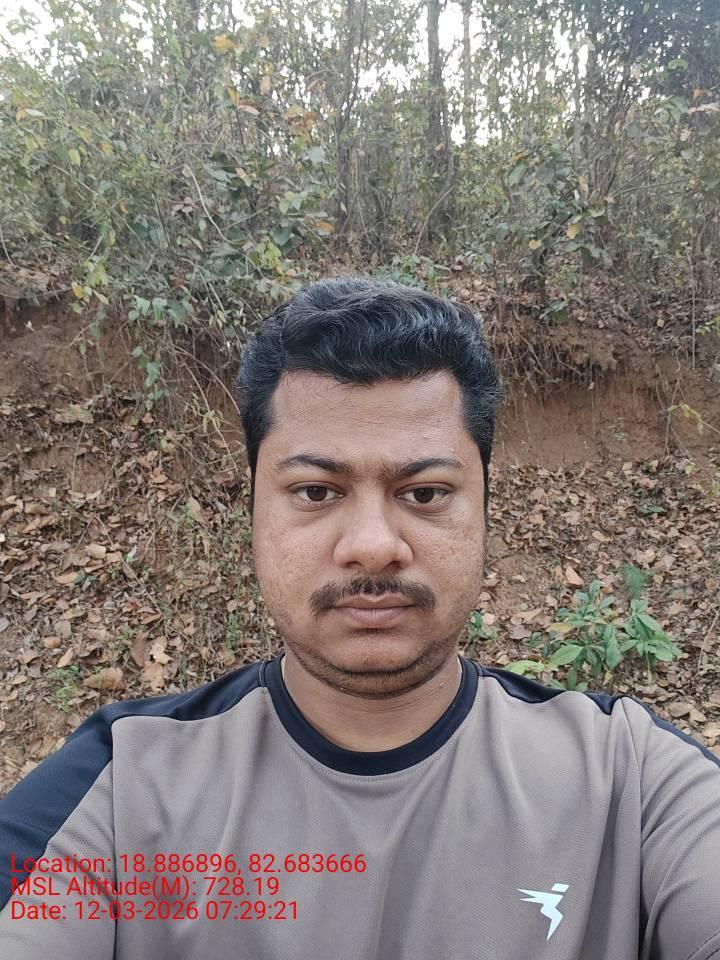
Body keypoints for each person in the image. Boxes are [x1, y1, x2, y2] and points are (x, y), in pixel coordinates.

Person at [1, 276, 719, 960]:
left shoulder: (631, 781)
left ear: (485, 510)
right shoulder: (122, 788)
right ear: (253, 511)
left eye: (425, 492)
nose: (374, 545)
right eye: (316, 491)